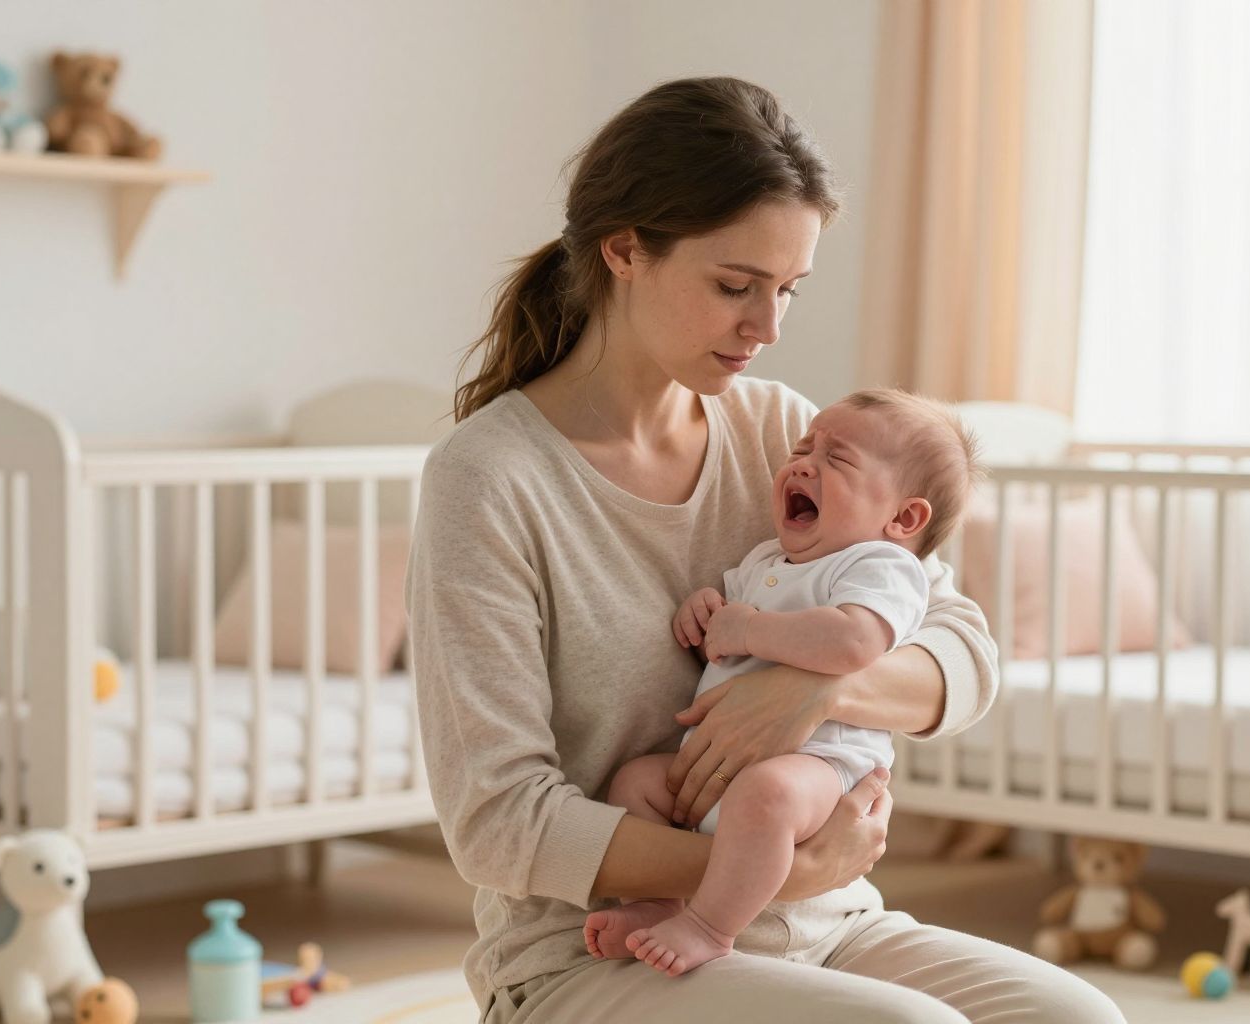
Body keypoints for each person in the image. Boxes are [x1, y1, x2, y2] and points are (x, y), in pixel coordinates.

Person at [408, 76, 1125, 1024]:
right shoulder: (490, 478)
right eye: (735, 286)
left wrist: (820, 686)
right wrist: (767, 867)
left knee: (1079, 1019)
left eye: (787, 289)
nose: (769, 326)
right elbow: (497, 824)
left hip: (826, 926)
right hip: (585, 955)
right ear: (625, 249)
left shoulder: (781, 432)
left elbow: (964, 649)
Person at [586, 389, 972, 977]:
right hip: (710, 769)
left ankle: (712, 926)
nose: (802, 464)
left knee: (766, 796)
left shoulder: (880, 566)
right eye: (802, 449)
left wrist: (750, 629)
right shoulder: (769, 559)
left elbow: (852, 642)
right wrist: (706, 609)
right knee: (637, 782)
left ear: (904, 518)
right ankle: (654, 906)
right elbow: (730, 628)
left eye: (837, 460)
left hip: (821, 768)